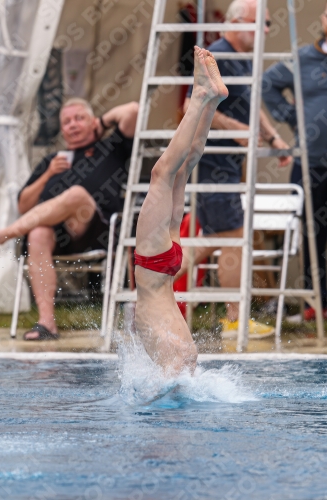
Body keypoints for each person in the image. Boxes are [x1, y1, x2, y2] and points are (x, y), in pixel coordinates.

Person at [175, 0, 292, 338]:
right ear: (240, 21)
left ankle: (231, 316)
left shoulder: (241, 60)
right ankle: (230, 317)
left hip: (225, 165)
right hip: (210, 163)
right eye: (264, 23)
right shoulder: (218, 54)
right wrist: (234, 129)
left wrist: (274, 139)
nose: (268, 30)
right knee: (230, 238)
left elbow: (251, 106)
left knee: (227, 238)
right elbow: (189, 105)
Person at [0, 99, 138, 340]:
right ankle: (47, 323)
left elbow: (132, 110)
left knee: (76, 194)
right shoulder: (52, 160)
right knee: (38, 233)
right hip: (61, 235)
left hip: (99, 230)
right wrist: (49, 173)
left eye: (79, 118)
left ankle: (1, 236)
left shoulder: (111, 148)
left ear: (92, 122)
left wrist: (101, 125)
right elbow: (23, 205)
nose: (72, 125)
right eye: (67, 122)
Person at [134, 46, 228, 376]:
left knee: (178, 170)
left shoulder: (180, 343)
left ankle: (208, 99)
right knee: (167, 173)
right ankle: (205, 98)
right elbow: (177, 367)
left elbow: (185, 360)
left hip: (167, 267)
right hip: (155, 263)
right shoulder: (173, 346)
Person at [262, 4, 327, 321]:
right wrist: (294, 118)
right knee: (314, 234)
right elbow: (266, 84)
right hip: (311, 161)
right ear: (323, 20)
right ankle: (318, 304)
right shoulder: (301, 58)